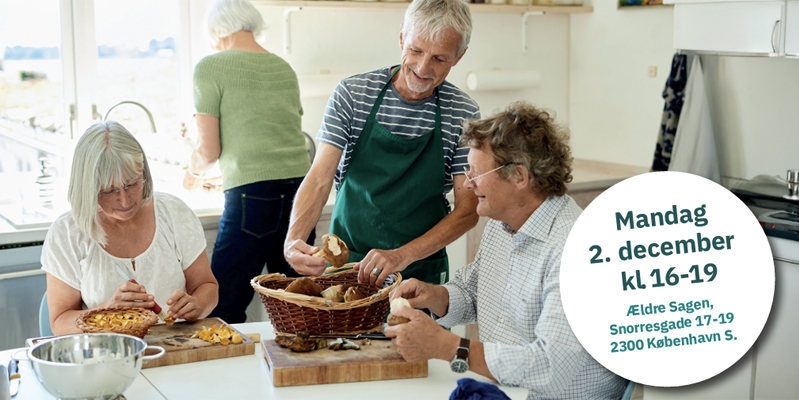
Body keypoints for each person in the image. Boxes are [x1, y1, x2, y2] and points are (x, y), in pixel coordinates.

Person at [384, 102, 627, 399]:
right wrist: (436, 296)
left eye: (476, 173)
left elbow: (550, 368)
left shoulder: (574, 250)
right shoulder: (503, 224)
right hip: (502, 391)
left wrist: (449, 347)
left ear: (519, 177)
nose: (468, 184)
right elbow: (475, 294)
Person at [284, 0, 480, 288]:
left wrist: (402, 256)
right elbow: (319, 178)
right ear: (402, 38)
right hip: (348, 266)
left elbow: (468, 209)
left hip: (419, 271)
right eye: (415, 50)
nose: (423, 68)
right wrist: (294, 240)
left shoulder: (463, 113)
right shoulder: (353, 94)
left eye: (440, 59)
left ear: (459, 56)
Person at [183, 0, 313, 323]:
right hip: (301, 193)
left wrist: (191, 173)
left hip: (252, 199)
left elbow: (209, 151)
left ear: (215, 31)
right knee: (301, 311)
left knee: (221, 309)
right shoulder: (284, 68)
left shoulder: (210, 66)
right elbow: (272, 137)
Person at [41, 121, 219, 335]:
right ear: (87, 187)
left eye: (132, 184)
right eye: (109, 190)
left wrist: (197, 305)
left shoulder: (173, 213)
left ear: (143, 172)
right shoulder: (67, 234)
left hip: (174, 349)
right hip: (104, 357)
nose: (125, 201)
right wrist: (106, 312)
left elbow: (207, 286)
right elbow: (59, 324)